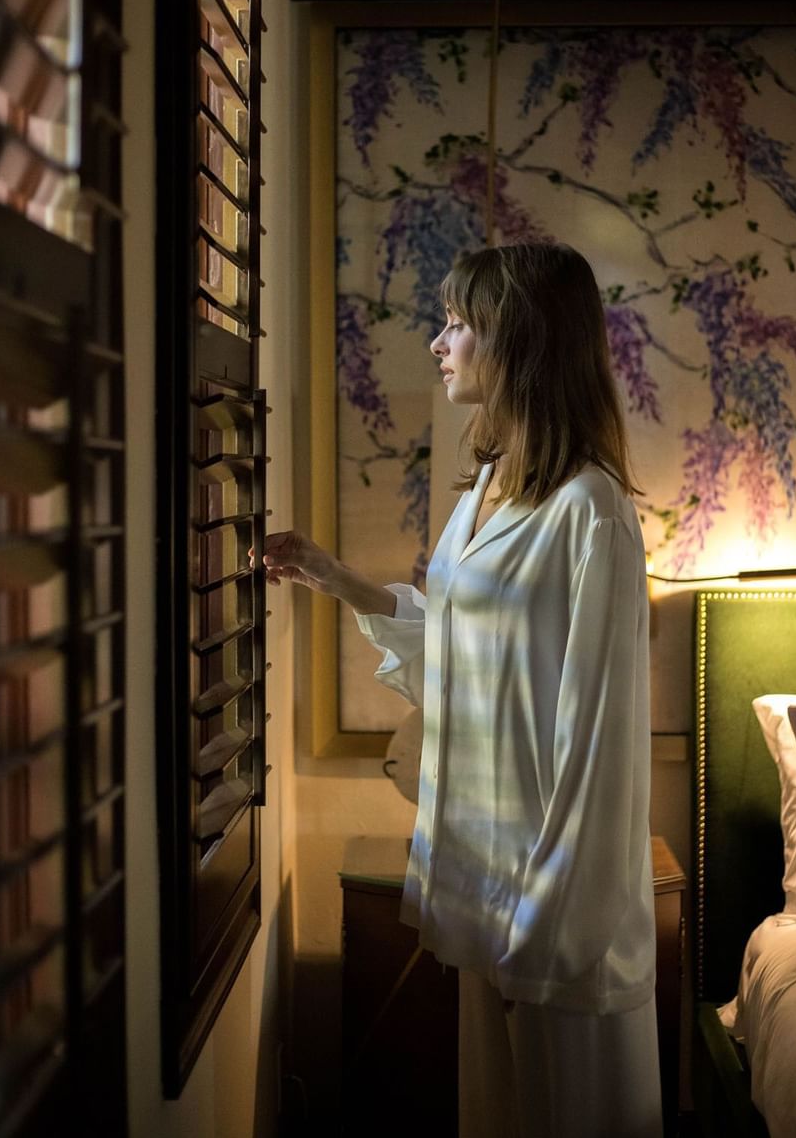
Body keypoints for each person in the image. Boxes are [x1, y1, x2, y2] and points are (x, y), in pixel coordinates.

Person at [260, 242, 662, 1138]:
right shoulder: (489, 486)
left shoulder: (590, 512)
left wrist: (547, 928)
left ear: (519, 339)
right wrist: (340, 581)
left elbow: (598, 743)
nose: (438, 344)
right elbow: (461, 651)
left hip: (557, 919)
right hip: (485, 885)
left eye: (457, 324)